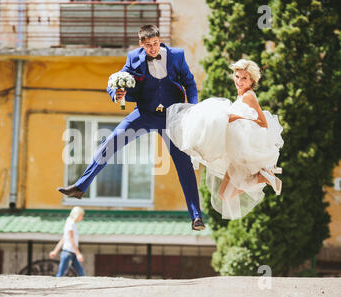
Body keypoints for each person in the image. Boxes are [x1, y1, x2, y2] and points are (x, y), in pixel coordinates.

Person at [57, 25, 206, 231]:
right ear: (141, 44)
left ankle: (196, 217)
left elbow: (189, 82)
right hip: (144, 114)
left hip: (171, 118)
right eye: (148, 45)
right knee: (111, 142)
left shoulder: (177, 56)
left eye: (155, 44)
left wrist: (194, 107)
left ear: (159, 40)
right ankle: (80, 186)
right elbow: (115, 81)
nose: (152, 49)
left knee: (184, 164)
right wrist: (116, 93)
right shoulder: (133, 57)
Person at [166, 59, 284, 220]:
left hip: (243, 148)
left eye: (244, 78)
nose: (240, 81)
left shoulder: (249, 96)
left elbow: (262, 122)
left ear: (252, 81)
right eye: (237, 76)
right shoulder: (241, 96)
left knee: (215, 112)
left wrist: (236, 118)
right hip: (234, 150)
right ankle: (264, 177)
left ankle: (263, 176)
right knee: (224, 195)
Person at [49, 206, 86, 277]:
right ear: (77, 215)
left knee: (81, 273)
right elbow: (71, 240)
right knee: (61, 274)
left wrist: (55, 251)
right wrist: (78, 254)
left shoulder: (72, 224)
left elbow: (63, 239)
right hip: (67, 253)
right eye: (81, 215)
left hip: (72, 253)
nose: (82, 217)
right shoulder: (70, 224)